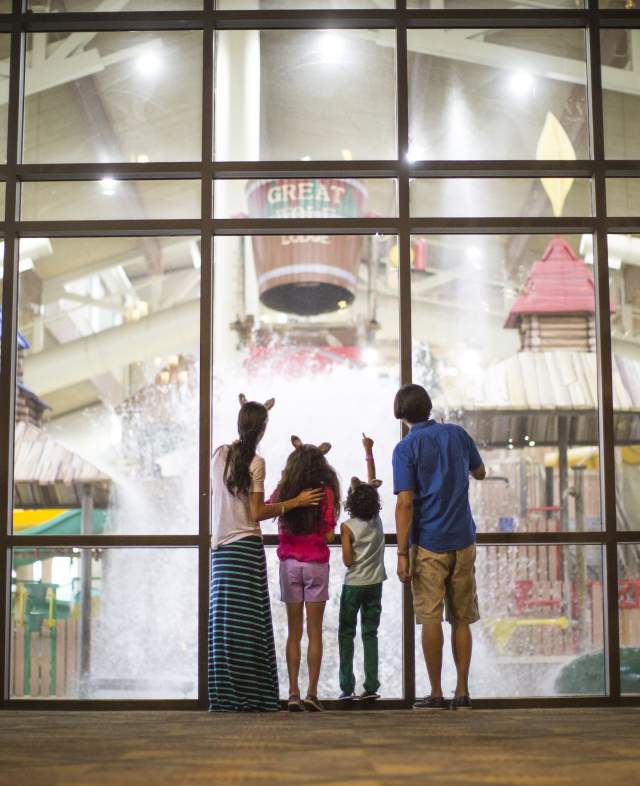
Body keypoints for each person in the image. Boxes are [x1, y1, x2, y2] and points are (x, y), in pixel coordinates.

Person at [209, 395, 323, 712]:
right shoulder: (255, 463)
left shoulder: (218, 455)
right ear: (262, 431)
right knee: (250, 625)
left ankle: (226, 696)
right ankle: (255, 695)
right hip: (245, 548)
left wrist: (254, 412)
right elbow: (257, 512)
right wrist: (296, 502)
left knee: (225, 626)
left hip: (221, 551)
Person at [392, 384, 486, 711]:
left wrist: (401, 553)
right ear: (429, 407)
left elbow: (405, 503)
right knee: (461, 617)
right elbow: (480, 472)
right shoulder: (456, 434)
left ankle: (435, 692)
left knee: (430, 617)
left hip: (429, 543)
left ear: (400, 414)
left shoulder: (405, 448)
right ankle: (462, 691)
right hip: (463, 539)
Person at [270, 435, 340, 712]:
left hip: (289, 566)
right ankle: (312, 692)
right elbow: (330, 535)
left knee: (293, 633)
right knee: (315, 632)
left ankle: (293, 693)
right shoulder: (326, 492)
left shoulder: (284, 490)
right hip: (316, 566)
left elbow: (267, 508)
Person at [338, 432, 387, 702]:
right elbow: (372, 483)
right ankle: (371, 686)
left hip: (354, 586)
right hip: (375, 584)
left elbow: (347, 560)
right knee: (370, 633)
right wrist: (369, 451)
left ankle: (346, 687)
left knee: (347, 634)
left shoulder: (347, 527)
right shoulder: (376, 519)